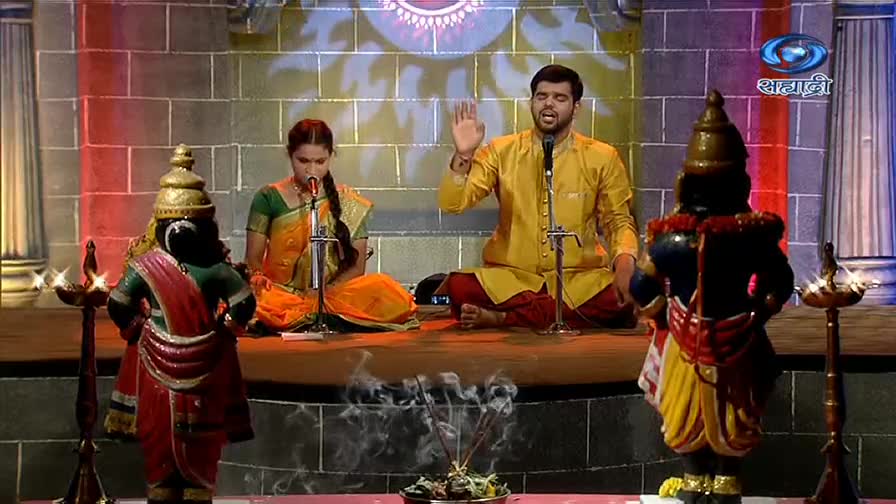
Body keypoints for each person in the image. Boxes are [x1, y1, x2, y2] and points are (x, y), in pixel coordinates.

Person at [631, 91, 794, 504]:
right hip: (738, 340)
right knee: (729, 415)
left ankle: (697, 479)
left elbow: (639, 286)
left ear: (686, 183)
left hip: (694, 341)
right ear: (741, 183)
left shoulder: (671, 241)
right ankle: (724, 481)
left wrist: (665, 314)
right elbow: (782, 281)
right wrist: (757, 315)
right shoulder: (753, 237)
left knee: (686, 415)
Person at [103, 145, 256, 504]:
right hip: (175, 367)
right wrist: (226, 328)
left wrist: (138, 328)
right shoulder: (151, 267)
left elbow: (243, 302)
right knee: (160, 443)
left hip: (198, 368)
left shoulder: (214, 269)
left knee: (200, 448)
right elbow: (118, 303)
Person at [437, 64, 640, 330]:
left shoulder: (602, 156)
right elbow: (453, 204)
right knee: (459, 286)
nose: (549, 104)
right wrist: (463, 156)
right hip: (514, 278)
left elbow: (618, 221)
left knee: (622, 300)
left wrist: (624, 264)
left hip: (578, 279)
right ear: (531, 102)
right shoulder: (502, 151)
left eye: (560, 98)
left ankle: (503, 318)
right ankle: (547, 313)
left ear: (576, 107)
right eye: (542, 96)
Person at [244, 119, 420, 333]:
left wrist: (323, 294)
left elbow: (357, 267)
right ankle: (312, 316)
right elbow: (253, 258)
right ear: (290, 156)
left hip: (331, 294)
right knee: (247, 300)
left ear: (331, 157)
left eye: (320, 161)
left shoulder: (347, 201)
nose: (311, 169)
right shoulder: (267, 197)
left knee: (387, 291)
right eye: (303, 160)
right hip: (281, 295)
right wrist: (257, 277)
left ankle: (311, 314)